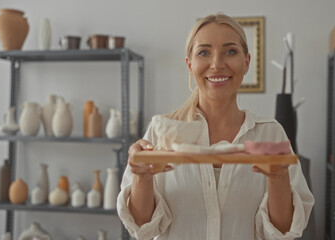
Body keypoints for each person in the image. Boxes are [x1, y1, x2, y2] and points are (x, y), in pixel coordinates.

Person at [117, 13, 314, 240]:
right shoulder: (161, 133)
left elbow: (283, 232)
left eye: (230, 51)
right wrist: (142, 178)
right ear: (190, 65)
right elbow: (142, 227)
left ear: (246, 62)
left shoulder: (270, 134)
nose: (217, 64)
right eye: (204, 52)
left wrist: (278, 178)